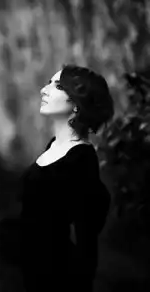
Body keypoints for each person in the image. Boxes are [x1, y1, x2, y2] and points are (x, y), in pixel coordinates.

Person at [19, 64, 114, 292]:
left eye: (58, 86)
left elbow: (86, 238)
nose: (44, 90)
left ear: (77, 103)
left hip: (59, 277)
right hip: (35, 271)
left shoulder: (81, 160)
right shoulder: (54, 146)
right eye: (49, 83)